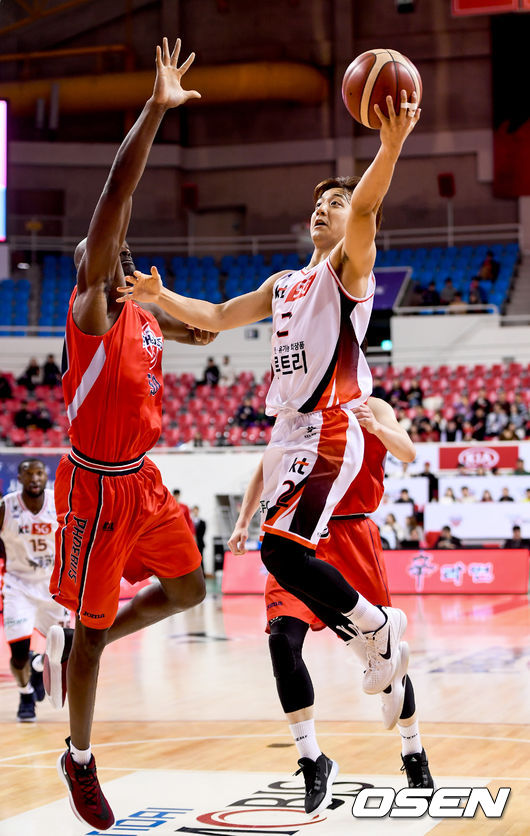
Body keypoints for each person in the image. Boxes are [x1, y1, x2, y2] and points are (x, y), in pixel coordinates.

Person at [119, 88, 421, 720]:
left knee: (282, 552)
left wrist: (389, 147)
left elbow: (366, 209)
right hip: (288, 435)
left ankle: (376, 632)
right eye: (319, 203)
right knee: (283, 555)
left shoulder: (349, 271)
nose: (325, 209)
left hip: (329, 429)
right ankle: (370, 634)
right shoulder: (284, 285)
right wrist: (161, 296)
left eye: (334, 204)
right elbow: (221, 315)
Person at [42, 39, 212, 832]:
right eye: (89, 251)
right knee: (91, 626)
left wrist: (183, 318)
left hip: (144, 480)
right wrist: (154, 108)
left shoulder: (141, 312)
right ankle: (79, 758)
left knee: (188, 589)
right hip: (93, 485)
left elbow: (203, 341)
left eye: (98, 252)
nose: (92, 251)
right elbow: (117, 195)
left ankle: (97, 638)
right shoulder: (90, 314)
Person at [228, 397, 434, 813]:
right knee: (281, 642)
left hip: (352, 533)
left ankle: (413, 750)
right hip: (300, 537)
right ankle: (312, 758)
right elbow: (267, 466)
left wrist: (376, 429)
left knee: (384, 652)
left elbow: (409, 452)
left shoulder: (372, 406)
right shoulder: (300, 408)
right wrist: (243, 519)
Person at [0, 459, 72, 722]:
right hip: (18, 586)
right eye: (28, 473)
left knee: (66, 649)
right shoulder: (6, 507)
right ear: (19, 477)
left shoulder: (59, 502)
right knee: (18, 654)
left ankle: (38, 664)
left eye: (39, 473)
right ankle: (25, 692)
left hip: (53, 587)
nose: (34, 478)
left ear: (46, 477)